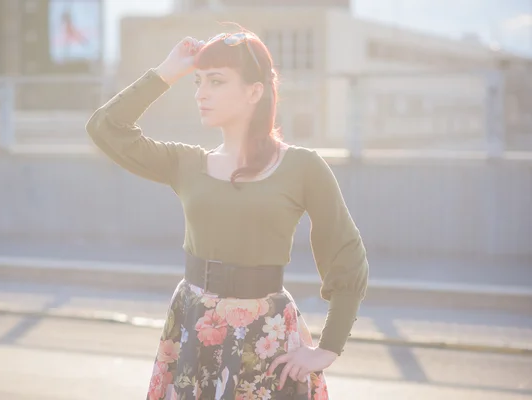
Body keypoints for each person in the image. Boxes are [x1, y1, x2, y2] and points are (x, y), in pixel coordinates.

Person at [85, 29, 369, 400]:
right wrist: (167, 72)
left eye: (216, 82)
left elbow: (345, 253)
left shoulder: (303, 167)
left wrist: (328, 347)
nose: (201, 93)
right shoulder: (186, 163)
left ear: (255, 91)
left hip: (267, 336)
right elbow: (105, 128)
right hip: (192, 328)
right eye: (198, 82)